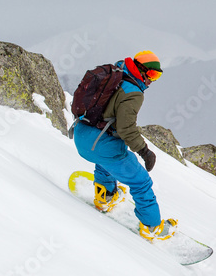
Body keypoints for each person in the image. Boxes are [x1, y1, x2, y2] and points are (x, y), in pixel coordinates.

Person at [72, 50, 177, 241]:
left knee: (108, 161)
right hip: (100, 144)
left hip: (82, 136)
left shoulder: (116, 73)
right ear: (141, 70)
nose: (152, 81)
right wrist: (145, 152)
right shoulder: (134, 93)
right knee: (141, 182)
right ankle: (152, 226)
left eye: (157, 76)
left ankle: (105, 196)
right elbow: (126, 128)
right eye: (152, 74)